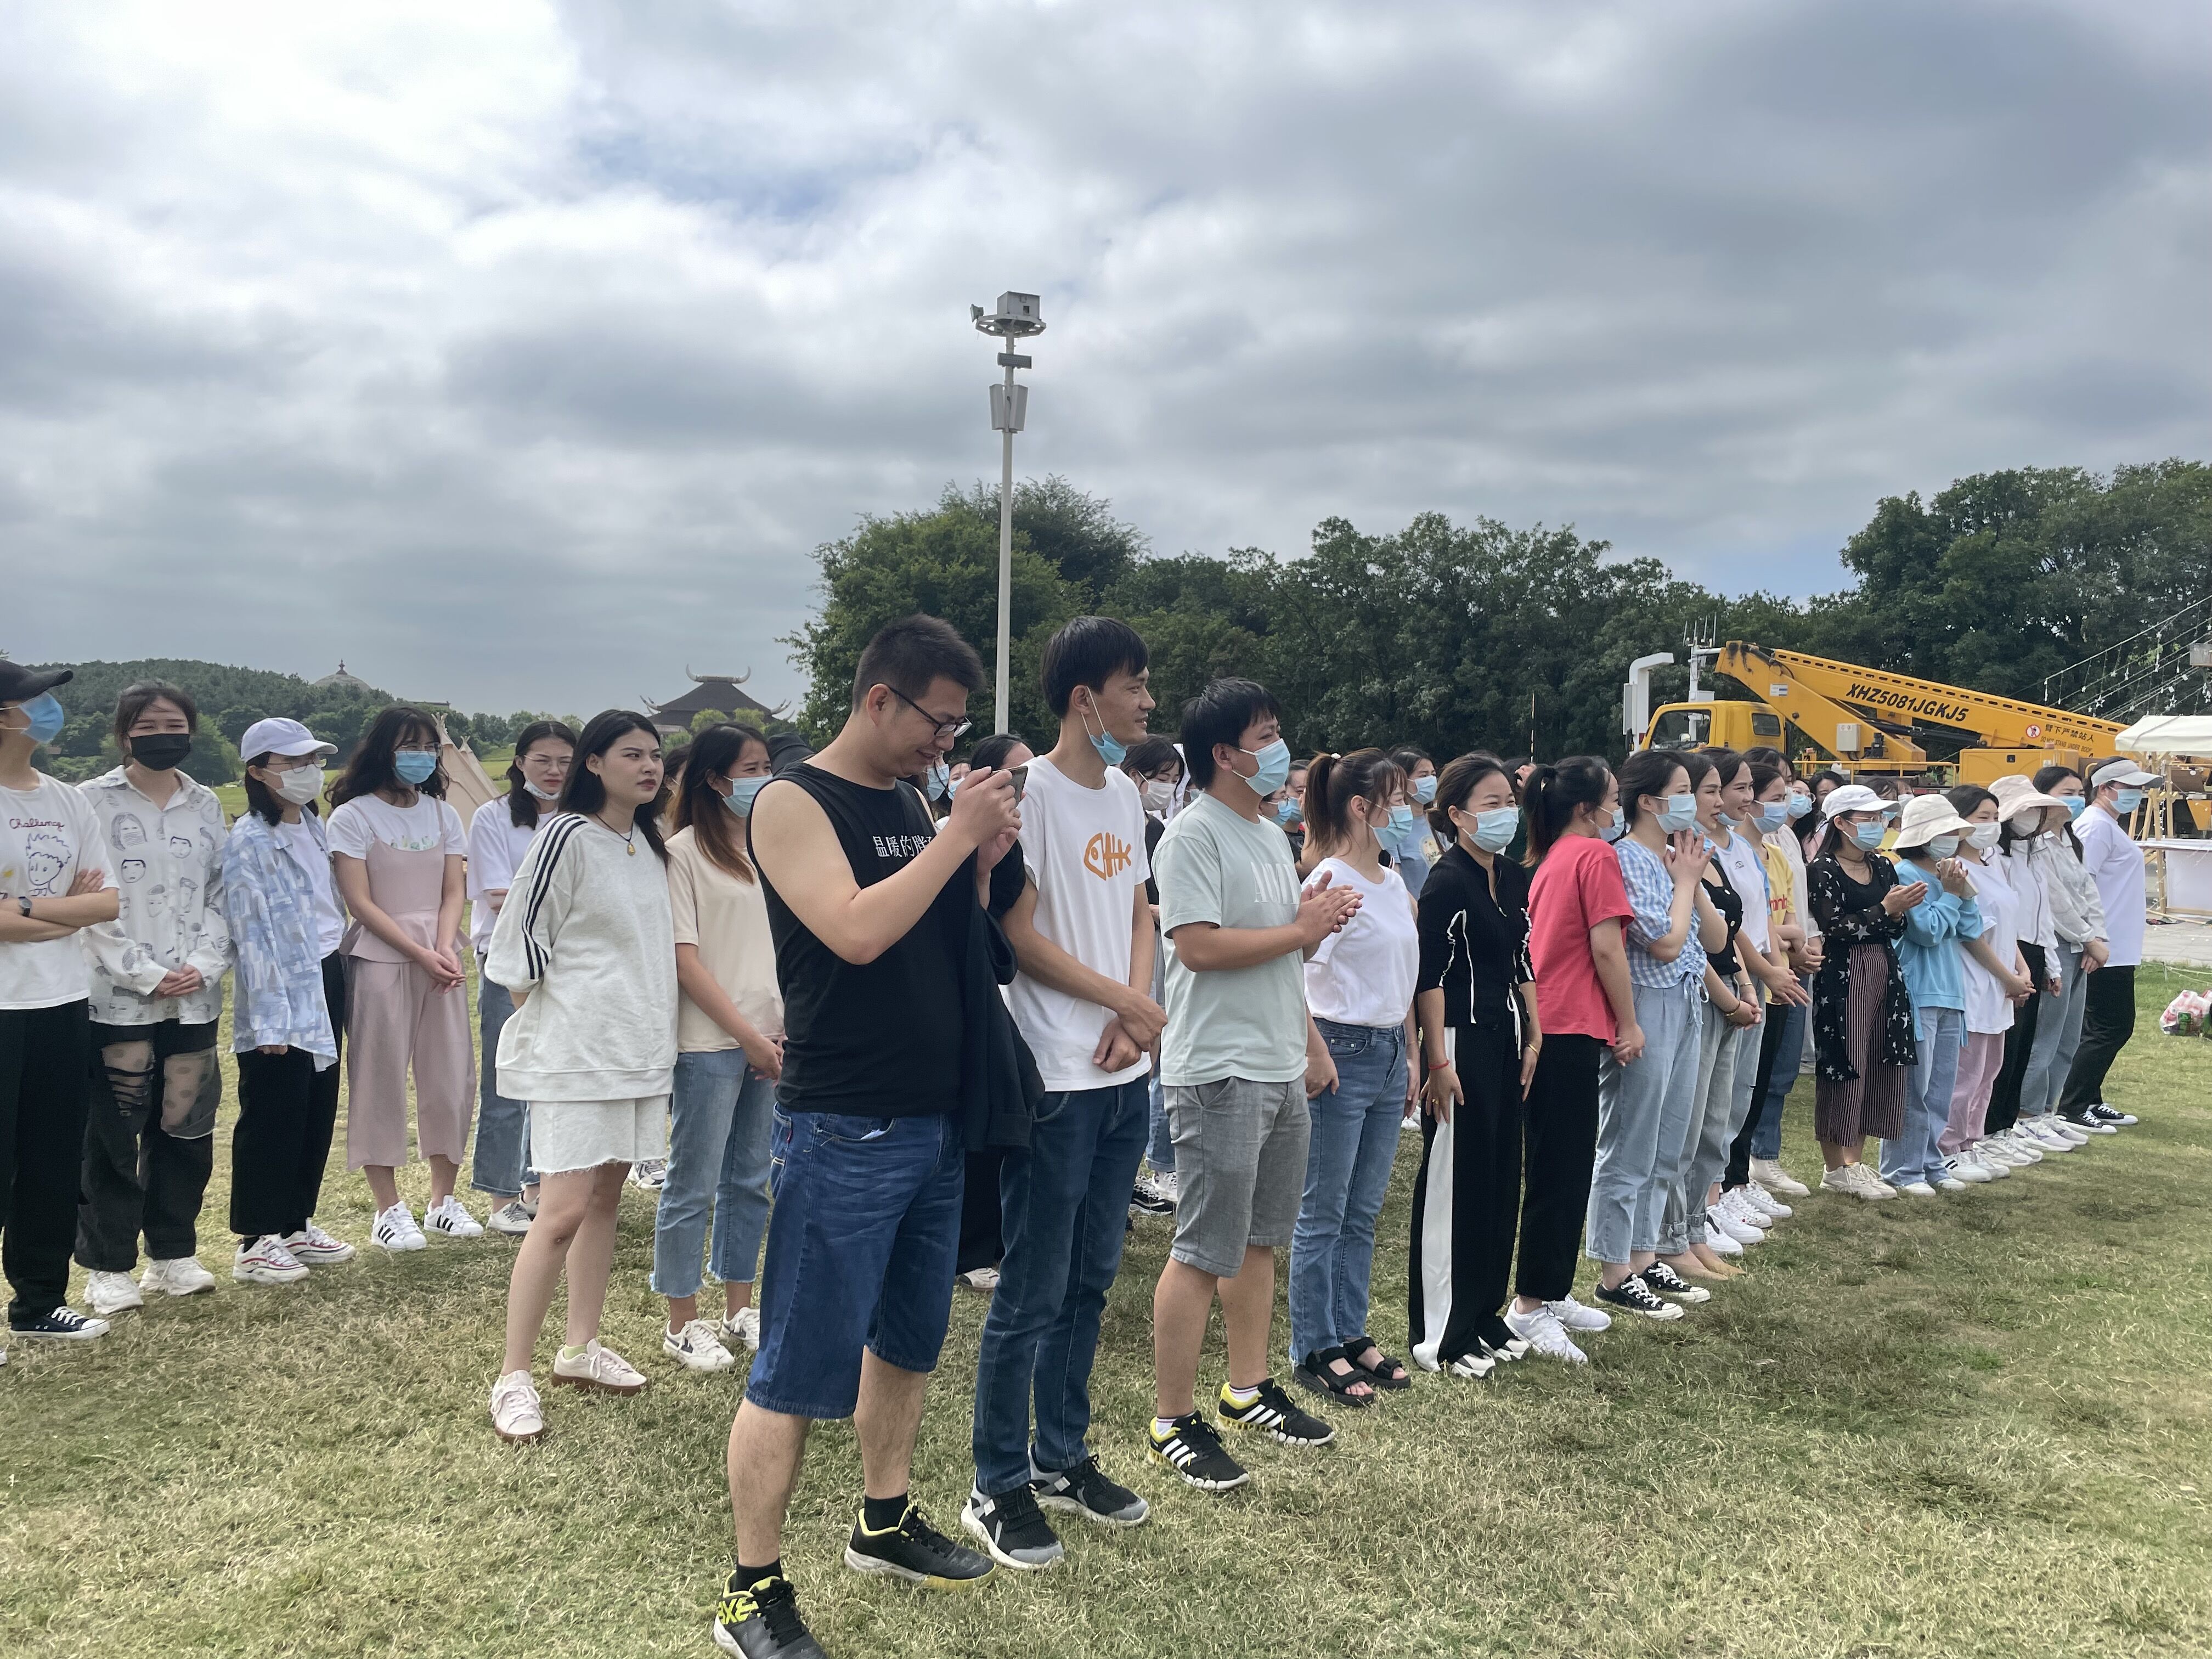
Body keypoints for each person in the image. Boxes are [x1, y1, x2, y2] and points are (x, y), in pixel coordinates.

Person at [716, 616, 1021, 1656]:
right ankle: (751, 1590)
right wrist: (953, 837)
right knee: (796, 1366)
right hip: (845, 1122)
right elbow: (853, 930)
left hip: (933, 1116)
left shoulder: (908, 797)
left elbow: (929, 933)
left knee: (908, 1338)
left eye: (958, 726)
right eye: (939, 720)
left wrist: (975, 866)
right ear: (880, 698)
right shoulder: (793, 800)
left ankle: (883, 1519)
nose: (947, 741)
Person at [963, 617, 1163, 1570]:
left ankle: (1061, 1455)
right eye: (1134, 684)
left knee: (1092, 1275)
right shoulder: (1028, 795)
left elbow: (1138, 910)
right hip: (1055, 1074)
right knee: (1033, 1285)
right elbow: (1019, 936)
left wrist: (1136, 1012)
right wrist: (1121, 1001)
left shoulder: (1123, 792)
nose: (1148, 701)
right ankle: (996, 1481)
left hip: (1124, 1070)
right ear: (1086, 698)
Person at [1146, 678, 1358, 1498]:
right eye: (1265, 736)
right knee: (1203, 1248)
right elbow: (1198, 947)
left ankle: (1247, 1387)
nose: (1280, 749)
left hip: (1274, 1061)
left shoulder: (1270, 835)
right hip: (1219, 1068)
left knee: (1261, 1240)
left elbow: (1279, 951)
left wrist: (1308, 1037)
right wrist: (1301, 929)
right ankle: (1172, 1418)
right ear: (1225, 754)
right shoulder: (1192, 835)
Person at [486, 712, 678, 1440]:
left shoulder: (649, 844)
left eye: (656, 755)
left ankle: (580, 1349)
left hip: (638, 1052)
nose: (649, 766)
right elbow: (517, 948)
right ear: (592, 763)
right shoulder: (565, 835)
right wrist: (558, 1024)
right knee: (560, 1211)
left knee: (605, 1201)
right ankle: (513, 1375)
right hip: (576, 1056)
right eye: (632, 754)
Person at [72, 681, 232, 1316]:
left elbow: (221, 893)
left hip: (194, 995)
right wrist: (143, 972)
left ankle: (173, 1253)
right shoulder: (91, 801)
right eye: (149, 725)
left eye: (175, 724)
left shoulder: (205, 804)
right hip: (118, 996)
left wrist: (202, 965)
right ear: (125, 734)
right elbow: (86, 899)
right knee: (115, 1130)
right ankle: (107, 1265)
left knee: (185, 1123)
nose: (164, 735)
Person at [652, 723, 786, 1373]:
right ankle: (682, 1321)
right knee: (693, 1183)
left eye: (766, 766)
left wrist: (776, 1032)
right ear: (714, 778)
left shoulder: (769, 847)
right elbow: (686, 961)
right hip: (708, 1042)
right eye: (751, 768)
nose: (764, 779)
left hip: (770, 1038)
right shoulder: (680, 854)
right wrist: (746, 1035)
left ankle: (740, 1305)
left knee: (750, 1181)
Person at [1288, 746, 1415, 1407]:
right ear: (1362, 807)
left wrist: (1411, 1056)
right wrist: (1316, 1051)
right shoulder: (1331, 881)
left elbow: (1405, 977)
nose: (1410, 810)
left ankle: (1350, 1330)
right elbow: (1294, 969)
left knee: (1362, 1210)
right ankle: (1314, 1345)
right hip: (1340, 1048)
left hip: (1387, 1050)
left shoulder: (1390, 880)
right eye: (1398, 800)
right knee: (1323, 1210)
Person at [326, 707, 480, 1249]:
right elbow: (360, 902)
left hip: (440, 959)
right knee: (379, 1079)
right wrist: (417, 951)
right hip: (381, 957)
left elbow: (453, 891)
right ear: (383, 751)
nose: (422, 756)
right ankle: (388, 1209)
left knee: (452, 1078)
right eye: (410, 746)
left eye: (429, 747)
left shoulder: (443, 814)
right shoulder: (352, 817)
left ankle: (443, 1201)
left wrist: (442, 946)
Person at [1, 662, 121, 1350]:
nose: (49, 709)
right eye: (35, 699)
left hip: (62, 999)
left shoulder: (68, 800)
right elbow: (79, 904)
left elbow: (104, 902)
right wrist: (60, 909)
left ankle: (39, 1301)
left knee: (52, 1158)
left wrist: (19, 909)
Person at [224, 719, 357, 1285]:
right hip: (278, 983)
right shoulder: (249, 839)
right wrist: (269, 1019)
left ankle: (296, 1222)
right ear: (258, 772)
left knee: (315, 1104)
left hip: (325, 970)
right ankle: (257, 1239)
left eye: (313, 761)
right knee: (273, 1109)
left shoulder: (312, 825)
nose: (308, 772)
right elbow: (249, 932)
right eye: (293, 763)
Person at [1588, 752, 1721, 1313]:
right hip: (1647, 1003)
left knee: (1669, 1141)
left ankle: (1644, 1256)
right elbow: (1663, 942)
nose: (1694, 801)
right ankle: (1614, 1268)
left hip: (1685, 1000)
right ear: (1648, 801)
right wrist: (1684, 882)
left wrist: (1692, 880)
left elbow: (1713, 939)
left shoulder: (1670, 858)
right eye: (1683, 790)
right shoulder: (1625, 859)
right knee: (1631, 1140)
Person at [1690, 753, 1810, 1257]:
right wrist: (1761, 972)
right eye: (1734, 788)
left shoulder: (1740, 848)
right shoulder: (1696, 851)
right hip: (1732, 979)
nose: (1740, 798)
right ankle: (1709, 1199)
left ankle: (1724, 1188)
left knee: (1740, 1092)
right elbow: (1727, 932)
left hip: (1753, 979)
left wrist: (1772, 970)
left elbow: (1757, 922)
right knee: (1712, 1101)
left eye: (1743, 788)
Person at [467, 720, 575, 1236]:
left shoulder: (582, 819)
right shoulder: (493, 818)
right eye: (542, 761)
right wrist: (570, 907)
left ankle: (537, 1187)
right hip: (508, 961)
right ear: (519, 763)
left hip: (568, 965)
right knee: (506, 1078)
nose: (554, 771)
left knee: (554, 1081)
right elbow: (497, 897)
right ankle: (500, 1195)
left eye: (565, 762)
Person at [1805, 785, 1921, 1200]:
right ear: (1841, 823)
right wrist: (1884, 911)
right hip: (1843, 973)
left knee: (1878, 1058)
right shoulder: (1822, 870)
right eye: (1868, 819)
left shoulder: (1883, 866)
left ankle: (1856, 1161)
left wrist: (1890, 913)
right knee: (1846, 1059)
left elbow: (1897, 926)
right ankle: (1835, 1165)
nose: (1877, 825)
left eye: (1880, 818)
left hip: (1884, 967)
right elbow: (1833, 927)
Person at [952, 731, 1036, 1293]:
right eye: (1017, 775)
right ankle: (971, 1247)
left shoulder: (1017, 840)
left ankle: (996, 1240)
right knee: (982, 1129)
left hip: (1005, 994)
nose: (1026, 786)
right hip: (979, 997)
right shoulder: (953, 836)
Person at [1880, 794, 1983, 1195]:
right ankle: (1902, 1169)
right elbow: (1927, 931)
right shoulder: (1903, 874)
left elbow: (1970, 929)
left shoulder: (1948, 877)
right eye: (1947, 832)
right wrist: (1953, 896)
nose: (1954, 840)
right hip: (1917, 990)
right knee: (1913, 1088)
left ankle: (1930, 1162)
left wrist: (1962, 891)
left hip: (1950, 993)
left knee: (1940, 1087)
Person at [1726, 755, 1819, 1200]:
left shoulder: (1776, 853)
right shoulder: (1730, 853)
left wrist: (1795, 948)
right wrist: (1779, 954)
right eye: (1777, 797)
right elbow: (1741, 927)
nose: (1786, 805)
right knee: (1735, 1088)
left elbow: (1783, 915)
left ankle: (1747, 1172)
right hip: (1756, 979)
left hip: (1780, 975)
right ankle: (1730, 1179)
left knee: (1767, 1080)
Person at [1939, 786, 2036, 1177]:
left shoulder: (1992, 863)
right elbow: (1972, 935)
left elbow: (2007, 928)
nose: (1992, 825)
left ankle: (1971, 1141)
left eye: (1995, 818)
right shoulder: (1954, 870)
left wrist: (2021, 972)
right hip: (1974, 981)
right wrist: (2008, 977)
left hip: (2000, 984)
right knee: (1965, 1073)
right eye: (1982, 818)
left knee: (1988, 1070)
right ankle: (1947, 1146)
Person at [2057, 758, 2157, 1131]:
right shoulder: (2095, 827)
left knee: (2102, 1026)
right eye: (2130, 788)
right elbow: (2081, 884)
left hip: (2117, 945)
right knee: (2111, 1026)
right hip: (2104, 946)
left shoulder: (2107, 825)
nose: (2137, 794)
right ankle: (2073, 1103)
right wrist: (2092, 938)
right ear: (2105, 788)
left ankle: (2089, 1098)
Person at [1984, 775, 2073, 1164]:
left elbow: (2043, 915)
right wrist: (2014, 968)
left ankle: (2005, 1126)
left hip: (2034, 953)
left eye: (2039, 810)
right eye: (2027, 810)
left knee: (2022, 1045)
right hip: (2009, 953)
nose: (2034, 817)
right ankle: (1988, 1128)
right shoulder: (1996, 857)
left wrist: (2051, 965)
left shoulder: (2035, 852)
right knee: (2005, 1047)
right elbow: (2005, 919)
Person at [2014, 765, 2103, 1148]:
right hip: (2057, 943)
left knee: (2069, 1036)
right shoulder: (2035, 843)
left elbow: (2087, 892)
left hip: (2080, 946)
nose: (2076, 800)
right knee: (2045, 1035)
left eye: (2080, 793)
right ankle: (2028, 1112)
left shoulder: (2070, 839)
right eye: (2068, 793)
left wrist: (2097, 938)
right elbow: (2056, 902)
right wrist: (2087, 938)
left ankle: (2048, 1110)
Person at [1124, 737, 1184, 1217]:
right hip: (1129, 951)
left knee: (1156, 1055)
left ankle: (1145, 1168)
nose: (1165, 788)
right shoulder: (1120, 823)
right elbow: (1128, 901)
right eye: (1160, 778)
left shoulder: (1158, 829)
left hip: (1158, 949)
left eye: (1173, 780)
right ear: (1135, 774)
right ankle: (1146, 1169)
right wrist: (1159, 913)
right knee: (1142, 1056)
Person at [1383, 747, 1439, 898]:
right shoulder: (1394, 827)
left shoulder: (1437, 822)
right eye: (1423, 775)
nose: (1430, 780)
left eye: (1433, 774)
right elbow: (1395, 883)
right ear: (1402, 781)